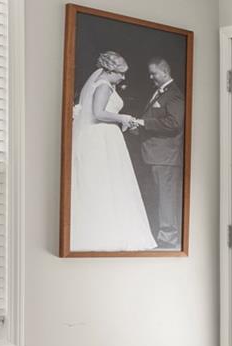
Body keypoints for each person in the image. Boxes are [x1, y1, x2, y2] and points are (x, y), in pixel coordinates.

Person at [69, 50, 155, 251]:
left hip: (102, 136)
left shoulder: (101, 84)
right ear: (110, 70)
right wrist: (123, 118)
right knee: (108, 181)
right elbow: (98, 113)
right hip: (102, 137)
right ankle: (108, 233)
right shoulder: (104, 86)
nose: (123, 77)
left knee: (108, 181)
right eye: (120, 73)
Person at [132, 56, 186, 249]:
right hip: (154, 155)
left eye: (154, 73)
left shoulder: (174, 95)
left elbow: (174, 123)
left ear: (165, 71)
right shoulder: (158, 92)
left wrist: (144, 123)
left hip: (165, 157)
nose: (151, 77)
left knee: (166, 198)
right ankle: (162, 236)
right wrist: (139, 127)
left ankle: (169, 239)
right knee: (159, 197)